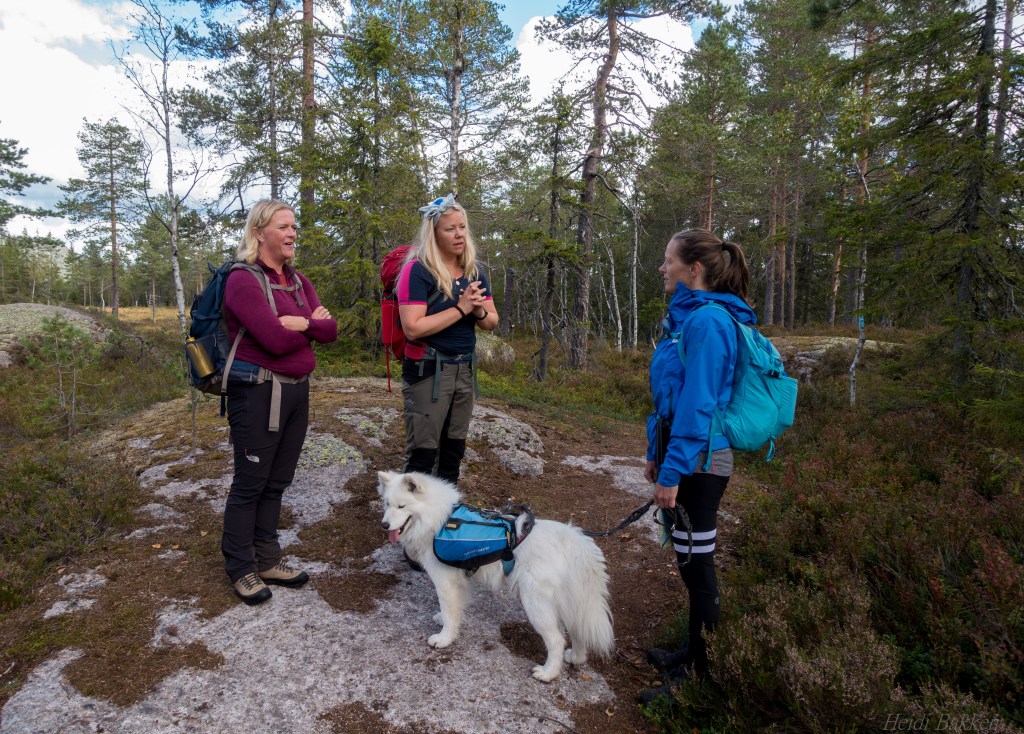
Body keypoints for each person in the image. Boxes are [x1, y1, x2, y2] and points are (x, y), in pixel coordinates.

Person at [639, 228, 754, 702]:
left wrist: (672, 473)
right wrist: (656, 453)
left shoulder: (708, 322)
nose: (662, 268)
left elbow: (697, 406)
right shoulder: (688, 318)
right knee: (689, 562)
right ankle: (692, 652)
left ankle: (703, 678)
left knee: (698, 569)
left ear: (694, 269)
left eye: (668, 260)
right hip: (686, 457)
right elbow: (670, 397)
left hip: (701, 464)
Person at [220, 199, 338, 605]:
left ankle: (268, 559)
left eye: (294, 227)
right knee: (250, 483)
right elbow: (272, 340)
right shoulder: (243, 280)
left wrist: (301, 323)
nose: (292, 234)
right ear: (259, 232)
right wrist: (312, 325)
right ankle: (241, 567)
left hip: (297, 390)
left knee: (277, 482)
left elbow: (331, 331)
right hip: (259, 392)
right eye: (284, 227)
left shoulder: (297, 280)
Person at [395, 193, 498, 486]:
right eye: (450, 228)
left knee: (453, 450)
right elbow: (413, 328)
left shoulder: (473, 271)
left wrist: (477, 310)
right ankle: (409, 513)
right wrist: (461, 308)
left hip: (464, 370)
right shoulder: (417, 270)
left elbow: (492, 321)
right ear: (434, 233)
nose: (459, 234)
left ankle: (446, 510)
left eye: (462, 227)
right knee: (423, 453)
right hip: (428, 370)